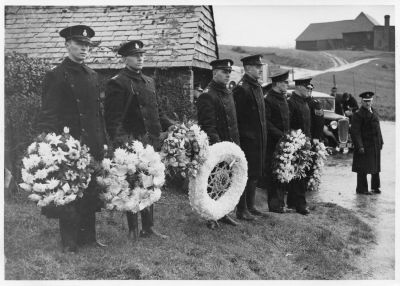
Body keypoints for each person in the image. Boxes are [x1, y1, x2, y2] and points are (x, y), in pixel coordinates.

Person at [37, 25, 107, 252]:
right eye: (79, 44)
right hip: (68, 145)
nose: (84, 49)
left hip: (92, 143)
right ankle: (69, 242)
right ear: (67, 45)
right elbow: (48, 113)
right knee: (69, 193)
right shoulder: (55, 75)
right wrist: (49, 144)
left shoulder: (93, 75)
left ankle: (89, 237)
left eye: (87, 45)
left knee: (90, 192)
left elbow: (98, 113)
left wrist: (103, 141)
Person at [104, 40, 174, 239]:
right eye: (136, 55)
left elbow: (157, 112)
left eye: (142, 55)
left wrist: (173, 126)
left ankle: (148, 228)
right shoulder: (117, 82)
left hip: (150, 142)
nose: (140, 58)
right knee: (132, 185)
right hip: (130, 143)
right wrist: (122, 144)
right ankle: (133, 229)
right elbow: (112, 120)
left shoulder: (148, 81)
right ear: (125, 58)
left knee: (150, 182)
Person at [196, 58, 241, 229]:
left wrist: (235, 146)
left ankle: (223, 213)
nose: (228, 75)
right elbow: (207, 125)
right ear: (215, 73)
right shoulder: (208, 94)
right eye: (224, 72)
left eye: (229, 72)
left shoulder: (228, 92)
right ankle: (210, 216)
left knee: (226, 180)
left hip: (231, 145)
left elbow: (234, 121)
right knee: (212, 182)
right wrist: (220, 148)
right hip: (217, 146)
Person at [233, 54, 268, 220]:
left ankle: (251, 205)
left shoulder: (257, 86)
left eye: (260, 66)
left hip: (258, 140)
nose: (260, 69)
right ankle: (242, 209)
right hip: (247, 141)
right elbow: (237, 118)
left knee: (254, 173)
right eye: (257, 67)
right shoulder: (242, 88)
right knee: (245, 174)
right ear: (247, 68)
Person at [264, 68, 290, 213]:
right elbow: (267, 122)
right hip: (274, 142)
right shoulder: (269, 99)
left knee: (283, 171)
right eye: (285, 82)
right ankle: (274, 205)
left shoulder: (282, 97)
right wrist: (280, 135)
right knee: (274, 173)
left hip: (283, 142)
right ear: (278, 83)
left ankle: (281, 203)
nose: (287, 85)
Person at [287, 77, 314, 215]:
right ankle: (300, 204)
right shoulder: (291, 103)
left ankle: (293, 202)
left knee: (301, 174)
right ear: (298, 87)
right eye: (305, 87)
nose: (308, 89)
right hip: (296, 143)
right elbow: (289, 124)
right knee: (298, 174)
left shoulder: (305, 103)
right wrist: (295, 140)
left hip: (304, 143)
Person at [351, 91, 383, 195]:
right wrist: (360, 146)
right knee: (363, 167)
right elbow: (355, 132)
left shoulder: (374, 111)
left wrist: (381, 141)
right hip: (364, 145)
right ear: (361, 102)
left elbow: (378, 128)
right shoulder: (358, 114)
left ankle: (375, 187)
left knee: (375, 167)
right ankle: (362, 189)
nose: (368, 103)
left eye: (369, 101)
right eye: (365, 101)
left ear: (372, 101)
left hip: (375, 145)